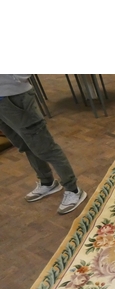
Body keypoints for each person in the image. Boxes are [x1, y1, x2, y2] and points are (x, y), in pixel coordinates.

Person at [0, 74, 87, 214]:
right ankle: (47, 182)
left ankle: (73, 190)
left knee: (47, 148)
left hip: (15, 98)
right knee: (25, 145)